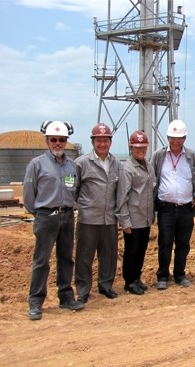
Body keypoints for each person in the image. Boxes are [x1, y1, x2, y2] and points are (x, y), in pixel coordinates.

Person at [23, 120, 84, 320]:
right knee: (41, 261)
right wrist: (39, 214)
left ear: (66, 141)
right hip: (46, 216)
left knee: (66, 258)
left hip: (67, 216)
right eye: (54, 140)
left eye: (61, 139)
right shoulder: (37, 164)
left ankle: (66, 297)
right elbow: (28, 195)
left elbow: (74, 189)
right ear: (47, 141)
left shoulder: (71, 166)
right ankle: (35, 302)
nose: (58, 143)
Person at [74, 123, 121, 303]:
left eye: (106, 140)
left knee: (109, 254)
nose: (102, 144)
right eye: (99, 140)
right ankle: (83, 289)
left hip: (109, 218)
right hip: (88, 218)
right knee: (84, 255)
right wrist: (83, 208)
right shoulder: (82, 163)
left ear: (110, 142)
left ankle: (105, 285)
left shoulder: (116, 163)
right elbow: (74, 191)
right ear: (92, 142)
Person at [150, 120, 195, 290]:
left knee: (183, 245)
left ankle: (179, 275)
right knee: (165, 244)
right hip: (166, 208)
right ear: (168, 137)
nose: (176, 141)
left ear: (184, 138)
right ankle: (162, 276)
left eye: (179, 138)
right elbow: (152, 179)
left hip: (186, 208)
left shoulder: (191, 156)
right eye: (172, 138)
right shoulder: (159, 155)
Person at [115, 130, 156, 295]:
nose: (141, 150)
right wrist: (124, 221)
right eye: (137, 147)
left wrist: (152, 215)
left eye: (143, 147)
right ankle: (129, 281)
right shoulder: (128, 169)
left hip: (145, 218)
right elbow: (122, 197)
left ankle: (137, 277)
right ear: (131, 147)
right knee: (131, 251)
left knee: (141, 250)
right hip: (133, 219)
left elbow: (152, 191)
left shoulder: (149, 166)